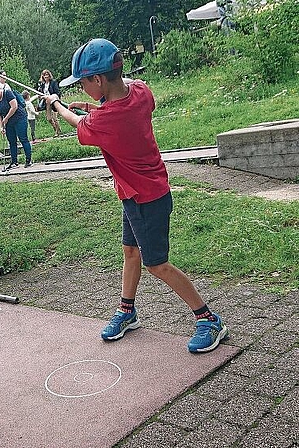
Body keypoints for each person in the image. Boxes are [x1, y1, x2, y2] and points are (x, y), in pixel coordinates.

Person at [46, 38, 228, 353]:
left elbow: (80, 125)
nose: (82, 88)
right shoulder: (142, 92)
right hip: (136, 195)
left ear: (98, 79)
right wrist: (91, 106)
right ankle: (127, 311)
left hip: (147, 200)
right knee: (131, 252)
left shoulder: (104, 121)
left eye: (83, 83)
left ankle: (209, 319)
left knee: (157, 264)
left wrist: (58, 105)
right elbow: (117, 104)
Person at [0, 83, 32, 169]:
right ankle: (14, 162)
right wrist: (1, 126)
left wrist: (6, 118)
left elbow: (14, 106)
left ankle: (28, 160)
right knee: (11, 141)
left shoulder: (7, 93)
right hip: (8, 122)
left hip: (19, 117)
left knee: (23, 138)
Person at [37, 69, 62, 137]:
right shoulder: (42, 85)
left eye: (47, 75)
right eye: (44, 75)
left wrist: (55, 98)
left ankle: (57, 132)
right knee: (49, 118)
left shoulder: (53, 82)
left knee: (55, 118)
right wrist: (41, 97)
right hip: (47, 102)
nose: (46, 76)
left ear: (49, 75)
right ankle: (57, 129)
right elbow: (41, 93)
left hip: (54, 100)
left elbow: (57, 92)